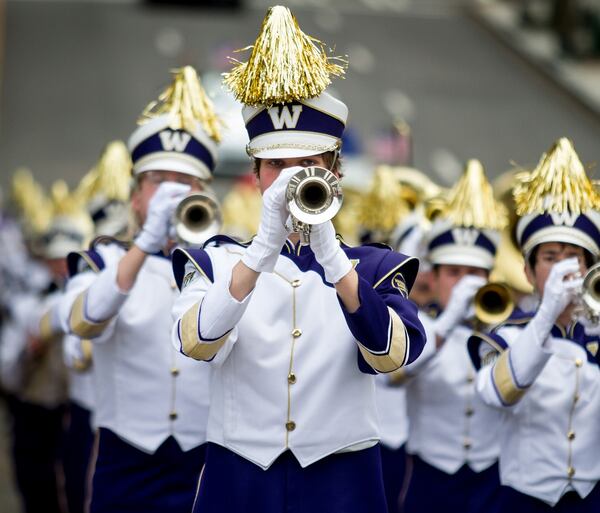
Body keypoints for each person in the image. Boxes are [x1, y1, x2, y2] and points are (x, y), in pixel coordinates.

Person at [171, 6, 426, 513]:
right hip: (241, 481)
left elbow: (392, 355)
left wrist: (331, 254)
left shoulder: (374, 267)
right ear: (257, 174)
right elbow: (196, 342)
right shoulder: (217, 260)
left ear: (332, 170)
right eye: (277, 166)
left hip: (342, 484)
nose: (290, 179)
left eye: (306, 165)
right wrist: (263, 247)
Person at [56, 66, 220, 513]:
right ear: (136, 196)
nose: (172, 193)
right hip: (126, 460)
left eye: (184, 183)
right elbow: (84, 321)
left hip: (202, 459)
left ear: (202, 193)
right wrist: (146, 243)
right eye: (158, 181)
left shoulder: (222, 262)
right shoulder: (103, 261)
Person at [470, 138, 600, 512]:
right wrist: (547, 315)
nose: (563, 266)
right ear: (528, 271)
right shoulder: (508, 333)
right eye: (550, 257)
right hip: (523, 500)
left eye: (573, 256)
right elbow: (496, 394)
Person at [401, 160, 507, 513]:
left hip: (490, 476)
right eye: (454, 273)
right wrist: (448, 320)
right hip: (430, 475)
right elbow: (395, 377)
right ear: (437, 276)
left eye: (475, 273)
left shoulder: (507, 333)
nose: (464, 282)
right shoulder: (420, 327)